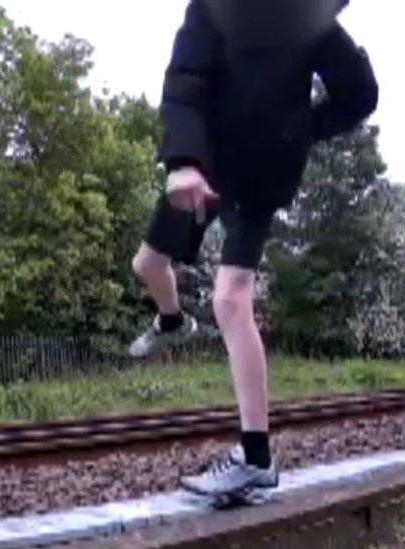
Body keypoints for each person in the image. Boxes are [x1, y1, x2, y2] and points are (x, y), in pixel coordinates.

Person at [129, 0, 377, 496]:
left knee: (230, 299)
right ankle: (173, 322)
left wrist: (303, 129)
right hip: (205, 164)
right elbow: (185, 82)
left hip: (263, 171)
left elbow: (360, 94)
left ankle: (256, 459)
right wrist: (183, 159)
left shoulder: (310, 21)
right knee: (148, 263)